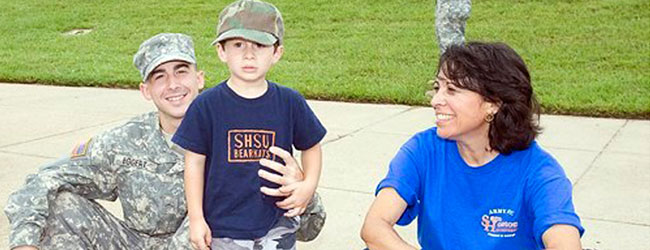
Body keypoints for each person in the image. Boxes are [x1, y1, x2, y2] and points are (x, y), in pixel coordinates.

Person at [4, 32, 323, 250]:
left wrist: (303, 187)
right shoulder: (123, 143)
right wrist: (25, 242)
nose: (173, 85)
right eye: (160, 76)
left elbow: (310, 228)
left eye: (181, 71)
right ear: (146, 90)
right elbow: (43, 179)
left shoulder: (243, 137)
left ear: (200, 78)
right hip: (136, 242)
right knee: (60, 203)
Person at [360, 42, 584, 249]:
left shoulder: (539, 172)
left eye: (452, 90)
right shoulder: (424, 150)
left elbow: (564, 243)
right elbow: (374, 226)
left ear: (493, 103)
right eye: (437, 87)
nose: (435, 100)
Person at [171, 1, 327, 249]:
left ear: (277, 53)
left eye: (260, 45)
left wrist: (308, 185)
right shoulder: (206, 106)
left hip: (276, 224)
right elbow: (194, 164)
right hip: (223, 227)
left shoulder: (290, 102)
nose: (249, 54)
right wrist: (197, 219)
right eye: (238, 45)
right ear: (221, 51)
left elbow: (312, 146)